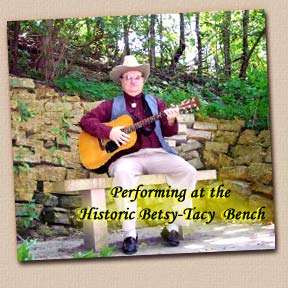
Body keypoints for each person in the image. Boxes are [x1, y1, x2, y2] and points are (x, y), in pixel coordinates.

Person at [80, 55, 197, 254]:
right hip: (126, 158)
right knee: (123, 173)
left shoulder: (157, 103)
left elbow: (168, 133)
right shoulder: (110, 105)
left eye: (137, 77)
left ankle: (172, 226)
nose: (133, 81)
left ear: (143, 80)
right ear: (121, 81)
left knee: (188, 171)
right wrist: (110, 132)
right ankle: (129, 233)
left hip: (158, 153)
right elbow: (86, 121)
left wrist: (170, 120)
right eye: (128, 77)